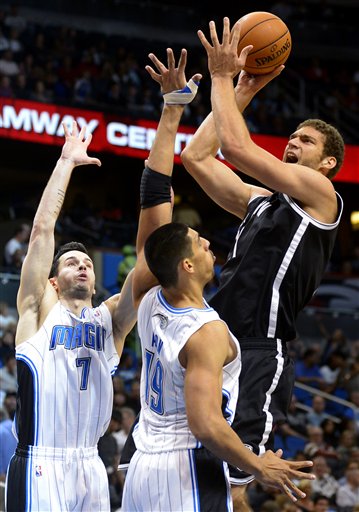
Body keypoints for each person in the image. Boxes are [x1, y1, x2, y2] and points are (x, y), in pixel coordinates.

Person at [120, 47, 315, 512]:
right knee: (237, 487)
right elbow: (206, 425)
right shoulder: (206, 332)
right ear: (187, 265)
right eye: (201, 243)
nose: (211, 244)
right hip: (184, 469)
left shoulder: (147, 296)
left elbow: (155, 196)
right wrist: (225, 79)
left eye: (306, 142)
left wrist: (178, 108)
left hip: (141, 462)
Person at [180, 17, 344, 511]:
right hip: (216, 340)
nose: (292, 142)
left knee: (235, 488)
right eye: (292, 137)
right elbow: (198, 157)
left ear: (327, 163)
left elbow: (236, 147)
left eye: (306, 142)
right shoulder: (261, 201)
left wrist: (224, 77)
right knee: (201, 477)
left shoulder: (322, 197)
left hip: (258, 350)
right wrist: (247, 87)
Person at [5, 121, 137, 512]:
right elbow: (42, 232)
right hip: (41, 461)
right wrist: (66, 163)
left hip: (91, 464)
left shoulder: (109, 319)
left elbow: (145, 271)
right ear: (52, 282)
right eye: (70, 263)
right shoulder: (39, 309)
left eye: (86, 264)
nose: (81, 266)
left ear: (95, 282)